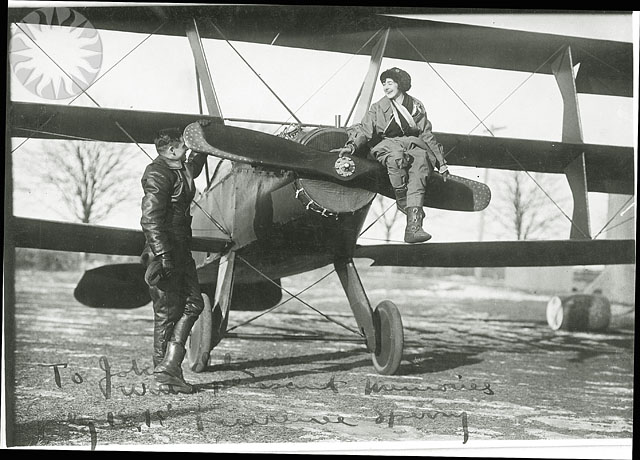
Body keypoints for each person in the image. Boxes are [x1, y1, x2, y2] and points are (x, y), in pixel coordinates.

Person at [332, 67, 449, 243]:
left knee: (422, 162)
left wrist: (442, 162)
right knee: (396, 157)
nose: (386, 87)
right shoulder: (378, 107)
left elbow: (426, 134)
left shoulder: (416, 107)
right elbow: (365, 130)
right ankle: (402, 199)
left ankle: (414, 228)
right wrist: (351, 147)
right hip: (385, 144)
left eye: (390, 83)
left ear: (400, 84)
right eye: (384, 84)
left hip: (412, 143)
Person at [140, 124, 208, 394]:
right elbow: (150, 218)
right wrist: (163, 254)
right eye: (183, 145)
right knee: (167, 314)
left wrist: (204, 147)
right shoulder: (157, 173)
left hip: (181, 249)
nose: (187, 148)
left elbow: (193, 167)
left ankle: (169, 368)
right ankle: (165, 376)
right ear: (170, 149)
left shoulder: (179, 167)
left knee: (194, 303)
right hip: (165, 250)